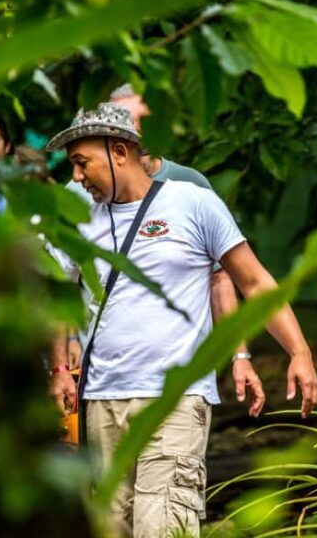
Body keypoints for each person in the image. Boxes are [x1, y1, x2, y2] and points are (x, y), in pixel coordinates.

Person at [46, 103, 317, 537]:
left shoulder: (193, 203)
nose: (77, 176)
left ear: (119, 152)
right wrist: (61, 369)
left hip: (176, 398)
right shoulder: (77, 211)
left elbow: (253, 280)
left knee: (164, 526)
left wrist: (299, 352)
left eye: (83, 164)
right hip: (100, 399)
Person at [65, 85, 265, 416]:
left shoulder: (189, 188)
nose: (127, 126)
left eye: (135, 118)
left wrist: (239, 354)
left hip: (174, 383)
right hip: (99, 379)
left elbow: (221, 279)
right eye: (117, 118)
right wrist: (68, 347)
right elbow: (61, 277)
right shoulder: (81, 187)